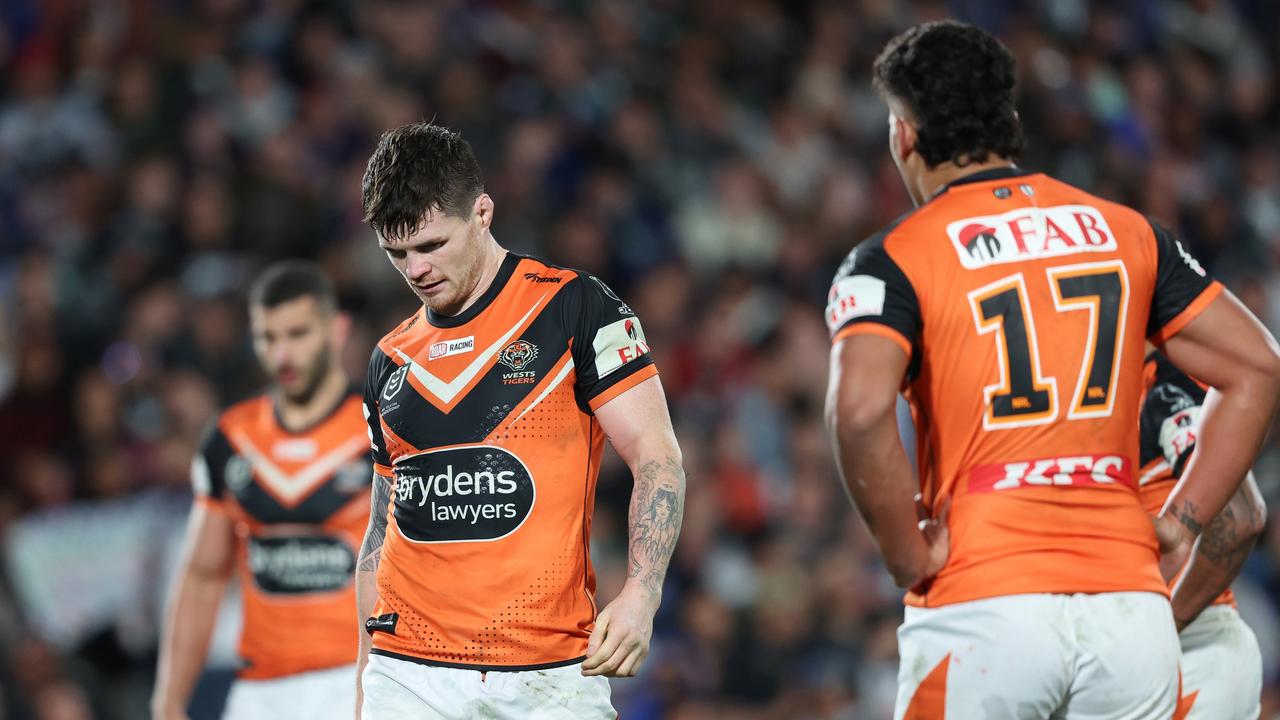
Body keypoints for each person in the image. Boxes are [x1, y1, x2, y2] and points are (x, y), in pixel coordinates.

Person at [823, 20, 1280, 719]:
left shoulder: (894, 258)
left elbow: (857, 412)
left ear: (904, 133)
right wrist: (1183, 521)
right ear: (1008, 120)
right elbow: (1257, 367)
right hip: (1131, 614)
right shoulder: (1127, 232)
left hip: (987, 596)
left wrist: (905, 555)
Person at [354, 122, 685, 719]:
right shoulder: (389, 359)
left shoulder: (574, 308)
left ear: (482, 212)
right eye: (396, 253)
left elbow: (657, 457)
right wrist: (362, 685)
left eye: (432, 245)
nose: (416, 270)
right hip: (407, 674)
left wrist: (642, 592)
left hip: (549, 673)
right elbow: (380, 536)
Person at [152, 262, 371, 720]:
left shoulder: (382, 428)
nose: (283, 354)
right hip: (260, 691)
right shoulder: (230, 440)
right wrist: (169, 700)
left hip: (360, 679)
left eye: (298, 334)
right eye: (268, 337)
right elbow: (203, 576)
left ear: (337, 330)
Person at [1138, 352, 1265, 719]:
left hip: (1189, 647)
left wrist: (1167, 625)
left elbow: (1238, 518)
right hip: (1153, 647)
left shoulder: (1163, 385)